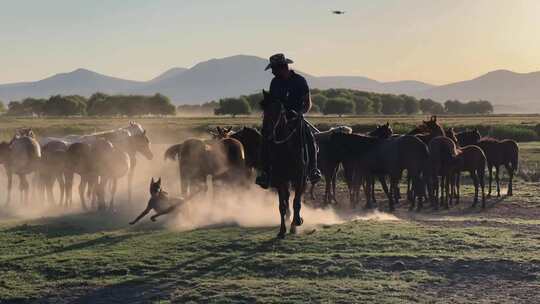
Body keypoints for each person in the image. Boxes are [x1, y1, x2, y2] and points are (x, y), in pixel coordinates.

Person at [255, 53, 322, 189]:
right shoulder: (275, 82)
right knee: (265, 139)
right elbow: (273, 103)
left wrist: (301, 113)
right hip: (279, 120)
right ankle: (265, 173)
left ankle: (313, 169)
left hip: (296, 118)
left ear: (283, 67)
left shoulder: (300, 81)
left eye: (274, 69)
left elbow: (308, 103)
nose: (273, 72)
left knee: (310, 138)